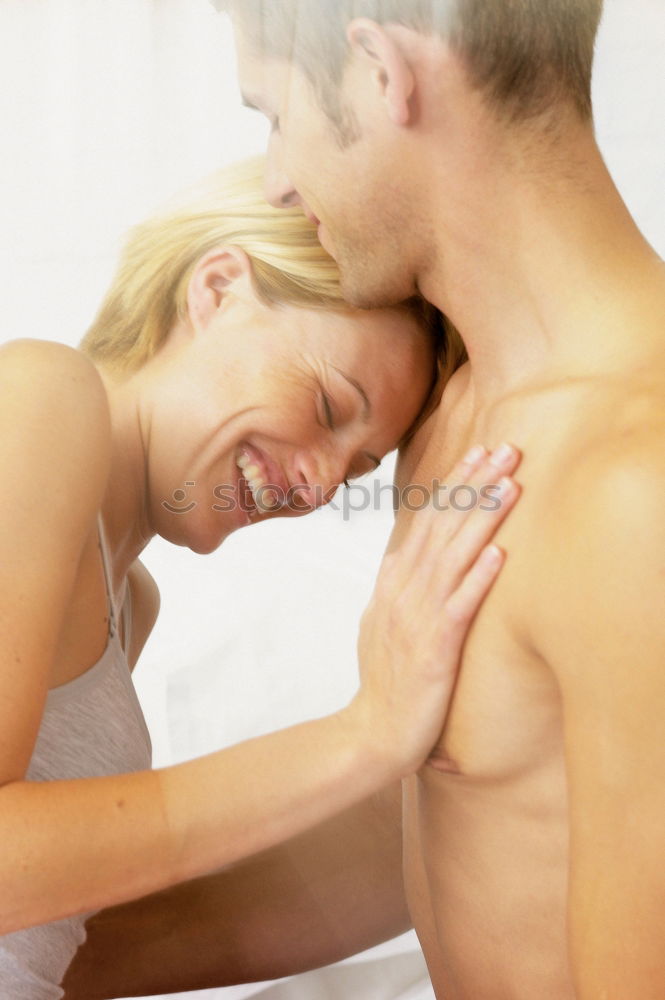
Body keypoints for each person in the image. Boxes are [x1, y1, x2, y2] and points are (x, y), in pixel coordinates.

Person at [63, 1, 665, 998]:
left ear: (382, 72)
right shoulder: (451, 411)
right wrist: (54, 967)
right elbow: (465, 810)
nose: (276, 180)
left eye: (272, 112)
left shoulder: (631, 487)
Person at [0, 154, 520, 999]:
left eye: (355, 470)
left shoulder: (129, 600)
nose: (316, 484)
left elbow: (51, 937)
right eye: (325, 406)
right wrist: (363, 733)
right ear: (217, 288)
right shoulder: (41, 395)